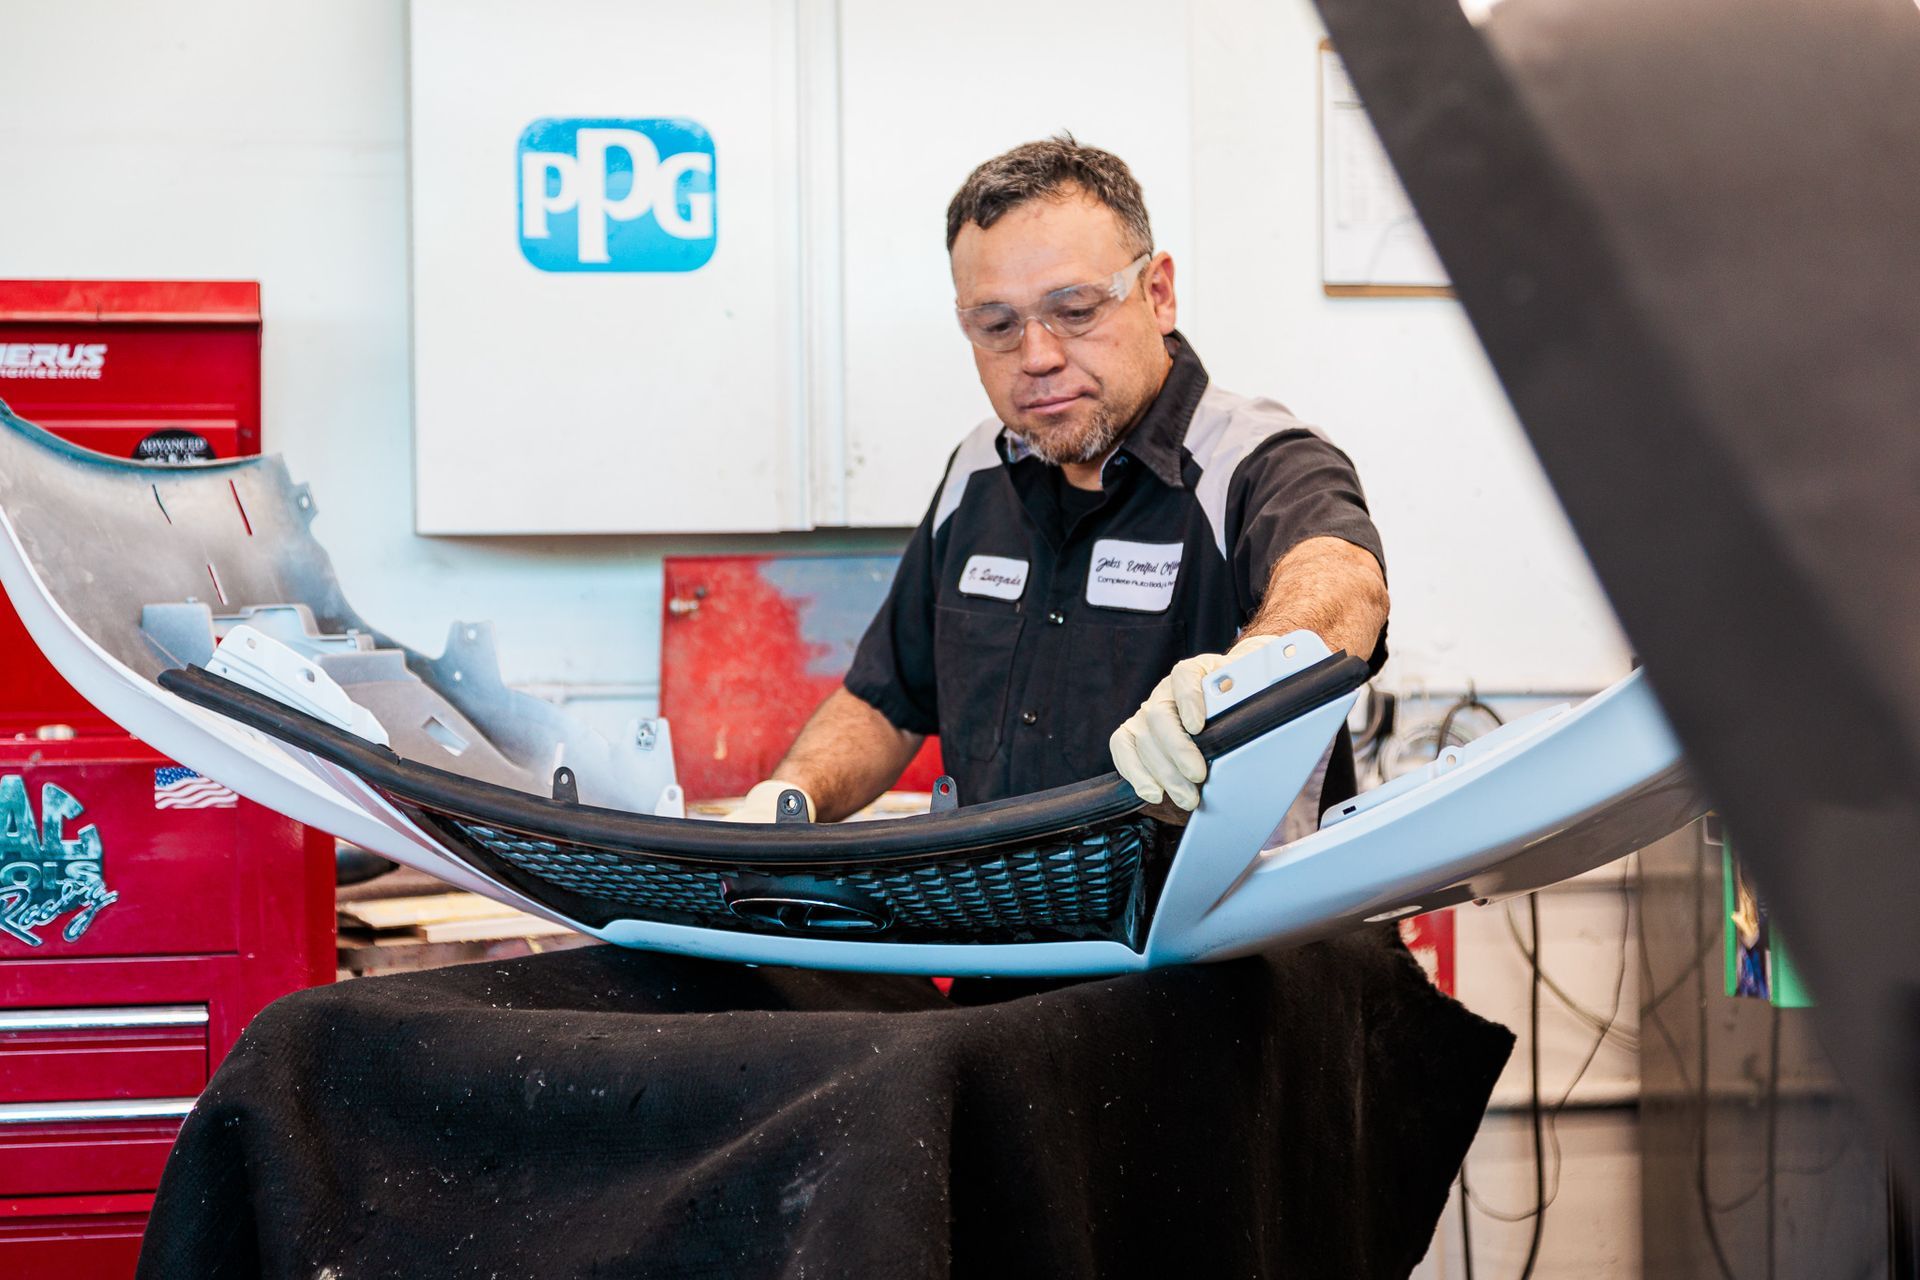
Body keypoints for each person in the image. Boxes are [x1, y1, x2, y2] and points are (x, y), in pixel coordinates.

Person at [731, 135, 1389, 831]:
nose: (1037, 356)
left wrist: (1246, 677)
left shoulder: (1256, 460)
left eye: (1075, 311)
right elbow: (885, 703)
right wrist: (788, 796)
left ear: (1157, 293)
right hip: (1004, 932)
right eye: (997, 325)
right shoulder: (976, 469)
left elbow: (1344, 583)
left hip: (1229, 936)